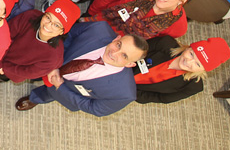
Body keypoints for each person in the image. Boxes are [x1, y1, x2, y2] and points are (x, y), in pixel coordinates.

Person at [15, 22, 146, 117]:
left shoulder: (124, 94)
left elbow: (94, 108)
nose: (114, 53)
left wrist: (60, 87)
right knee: (28, 69)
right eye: (118, 45)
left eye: (124, 56)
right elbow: (68, 35)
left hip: (67, 90)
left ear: (130, 64)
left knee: (49, 94)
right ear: (117, 38)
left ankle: (35, 98)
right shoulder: (99, 29)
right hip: (54, 61)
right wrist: (53, 62)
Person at [0, 0, 81, 90]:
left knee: (4, 75)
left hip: (13, 69)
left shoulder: (54, 57)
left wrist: (3, 68)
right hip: (2, 52)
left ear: (62, 32)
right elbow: (5, 36)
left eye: (56, 25)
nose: (48, 25)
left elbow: (28, 72)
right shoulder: (30, 16)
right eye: (48, 17)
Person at [134, 36, 230, 104]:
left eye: (197, 64)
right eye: (191, 54)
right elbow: (134, 52)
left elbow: (162, 98)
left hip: (132, 92)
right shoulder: (165, 43)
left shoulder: (192, 87)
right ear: (188, 48)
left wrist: (130, 93)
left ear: (203, 70)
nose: (189, 62)